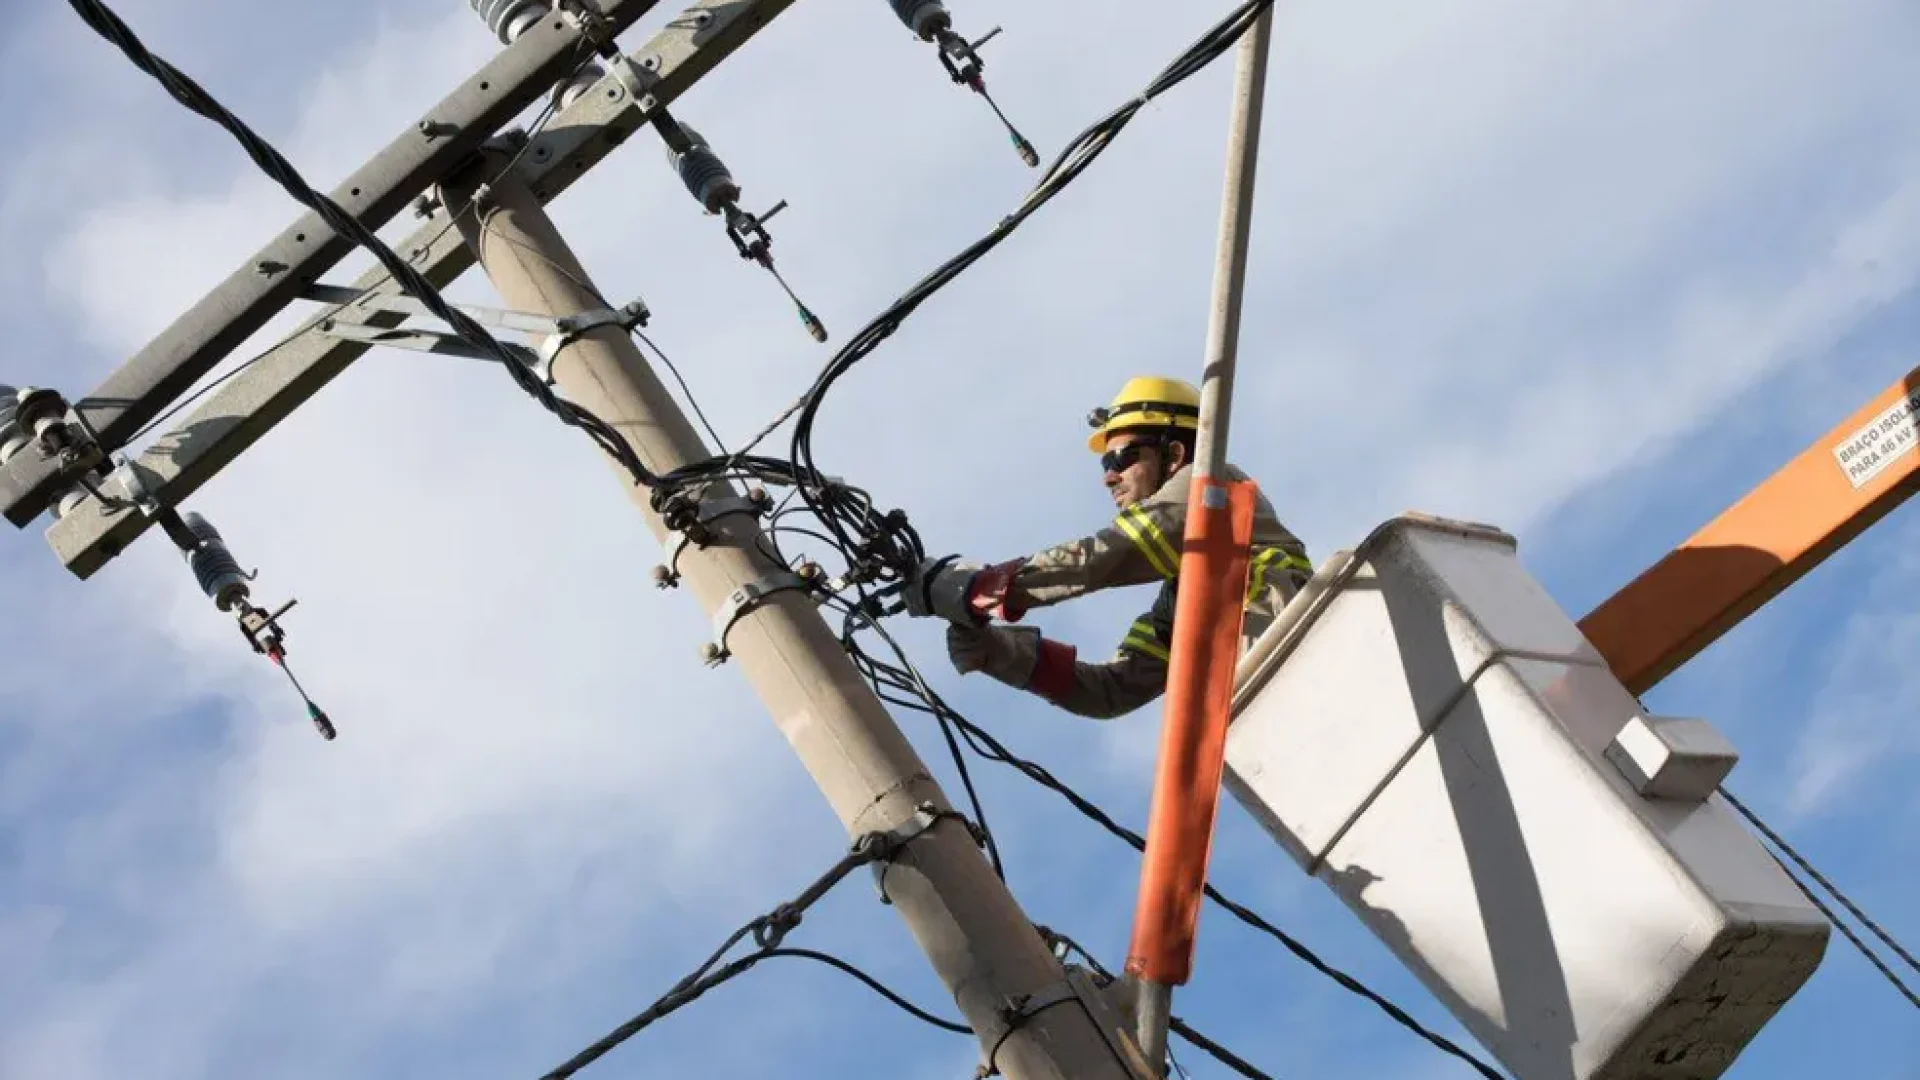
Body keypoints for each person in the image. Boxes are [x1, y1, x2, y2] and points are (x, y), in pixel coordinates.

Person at [906, 375, 1313, 719]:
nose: (1109, 477)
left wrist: (979, 589)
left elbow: (1107, 554)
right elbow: (1112, 690)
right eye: (1106, 465)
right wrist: (997, 651)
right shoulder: (1186, 599)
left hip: (1296, 661)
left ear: (1174, 455)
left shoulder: (1211, 487)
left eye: (1121, 458)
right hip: (1269, 715)